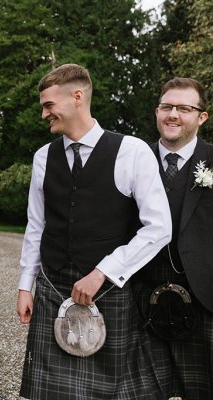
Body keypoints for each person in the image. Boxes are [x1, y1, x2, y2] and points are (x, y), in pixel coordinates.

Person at [16, 64, 172, 399]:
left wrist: (104, 271)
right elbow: (37, 224)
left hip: (108, 291)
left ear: (76, 97)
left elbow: (159, 227)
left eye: (48, 105)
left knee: (105, 392)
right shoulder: (43, 157)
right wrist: (25, 285)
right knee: (51, 393)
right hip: (53, 287)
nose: (44, 114)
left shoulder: (131, 151)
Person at [133, 77, 213, 399]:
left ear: (202, 117)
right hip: (141, 301)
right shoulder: (134, 160)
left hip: (204, 300)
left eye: (184, 108)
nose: (173, 115)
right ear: (156, 111)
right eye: (167, 107)